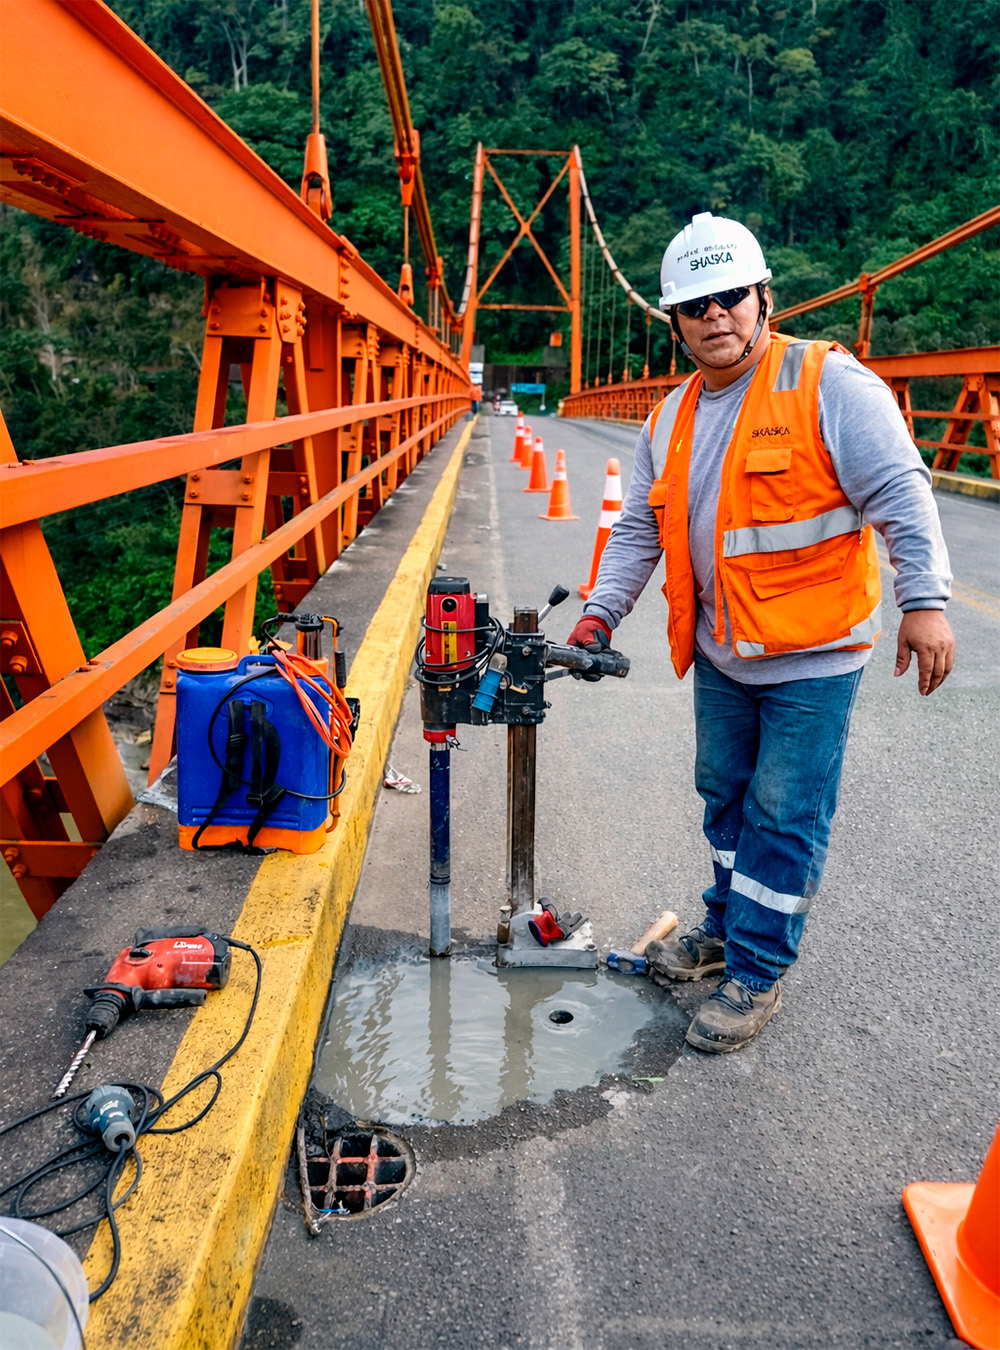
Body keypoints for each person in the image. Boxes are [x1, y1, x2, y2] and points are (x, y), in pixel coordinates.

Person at [567, 212, 954, 1053]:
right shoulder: (668, 418)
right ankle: (725, 927)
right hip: (723, 652)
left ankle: (757, 971)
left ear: (764, 298)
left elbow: (900, 489)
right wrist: (601, 612)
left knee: (783, 811)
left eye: (732, 297)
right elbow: (638, 529)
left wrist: (924, 601)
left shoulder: (829, 383)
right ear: (674, 321)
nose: (717, 316)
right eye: (697, 304)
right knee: (725, 794)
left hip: (816, 656)